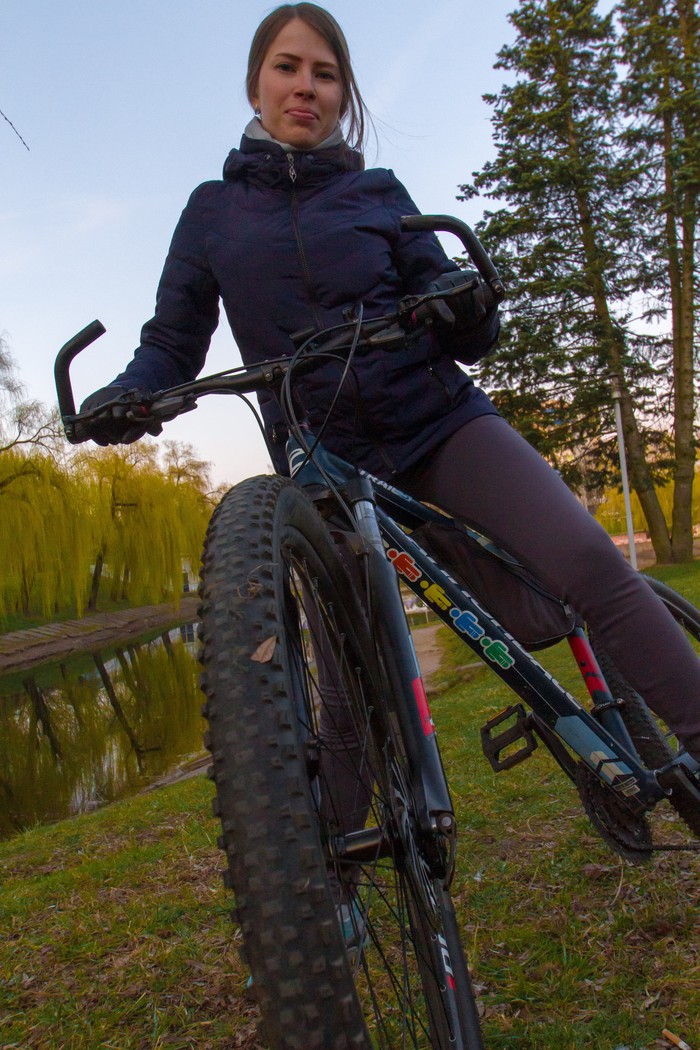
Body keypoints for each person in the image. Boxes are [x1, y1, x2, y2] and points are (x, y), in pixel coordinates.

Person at [76, 2, 700, 776]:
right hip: (325, 458)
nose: (306, 87)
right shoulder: (212, 213)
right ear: (255, 87)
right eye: (288, 68)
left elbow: (450, 300)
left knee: (589, 562)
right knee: (346, 680)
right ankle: (319, 882)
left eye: (325, 74)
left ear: (341, 94)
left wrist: (463, 303)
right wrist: (128, 395)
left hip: (438, 423)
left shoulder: (376, 191)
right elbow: (172, 341)